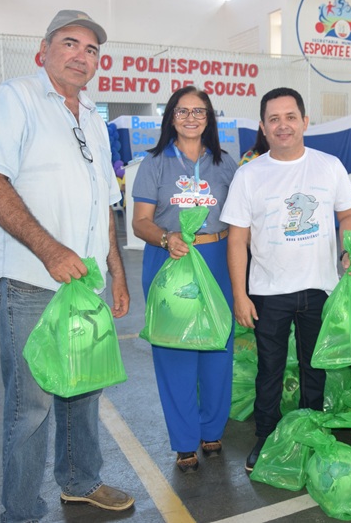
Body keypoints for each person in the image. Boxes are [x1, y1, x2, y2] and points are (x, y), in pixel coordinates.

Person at [0, 10, 134, 521]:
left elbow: (104, 201)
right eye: (70, 44)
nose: (81, 56)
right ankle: (19, 511)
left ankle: (81, 481)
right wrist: (50, 250)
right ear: (44, 50)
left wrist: (117, 272)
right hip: (32, 281)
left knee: (83, 385)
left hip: (86, 285)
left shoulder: (93, 119)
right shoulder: (14, 99)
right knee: (31, 405)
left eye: (92, 50)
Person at [220, 87, 351, 472]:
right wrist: (240, 295)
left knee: (315, 367)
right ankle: (266, 437)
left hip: (319, 286)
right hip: (268, 291)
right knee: (270, 369)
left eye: (290, 117)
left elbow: (348, 215)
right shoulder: (249, 175)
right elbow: (238, 238)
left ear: (304, 121)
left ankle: (312, 430)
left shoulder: (328, 166)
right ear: (264, 127)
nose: (283, 125)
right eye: (274, 119)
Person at [131, 86, 239, 473]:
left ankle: (212, 429)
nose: (191, 118)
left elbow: (242, 219)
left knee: (217, 347)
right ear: (170, 117)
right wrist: (166, 237)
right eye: (183, 111)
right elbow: (140, 221)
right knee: (175, 350)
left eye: (200, 111)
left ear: (210, 118)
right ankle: (183, 440)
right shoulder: (155, 163)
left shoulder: (226, 164)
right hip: (170, 258)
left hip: (217, 258)